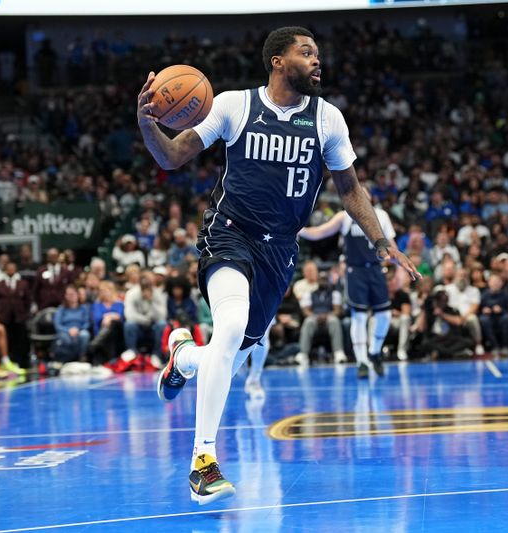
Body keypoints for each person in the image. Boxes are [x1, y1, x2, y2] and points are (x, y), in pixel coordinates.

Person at [139, 26, 418, 504]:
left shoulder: (328, 119)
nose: (316, 61)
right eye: (306, 52)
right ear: (277, 60)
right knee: (229, 329)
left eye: (318, 54)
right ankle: (203, 462)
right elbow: (172, 156)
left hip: (279, 251)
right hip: (229, 233)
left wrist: (381, 241)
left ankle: (183, 357)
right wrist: (148, 124)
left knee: (227, 357)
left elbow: (349, 190)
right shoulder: (233, 105)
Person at [298, 187, 397, 377]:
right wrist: (299, 230)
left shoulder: (382, 215)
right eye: (356, 193)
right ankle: (361, 361)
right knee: (359, 317)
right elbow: (319, 232)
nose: (360, 195)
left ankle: (375, 352)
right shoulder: (344, 217)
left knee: (384, 316)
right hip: (355, 271)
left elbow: (391, 246)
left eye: (364, 193)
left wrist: (400, 265)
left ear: (370, 197)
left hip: (376, 269)